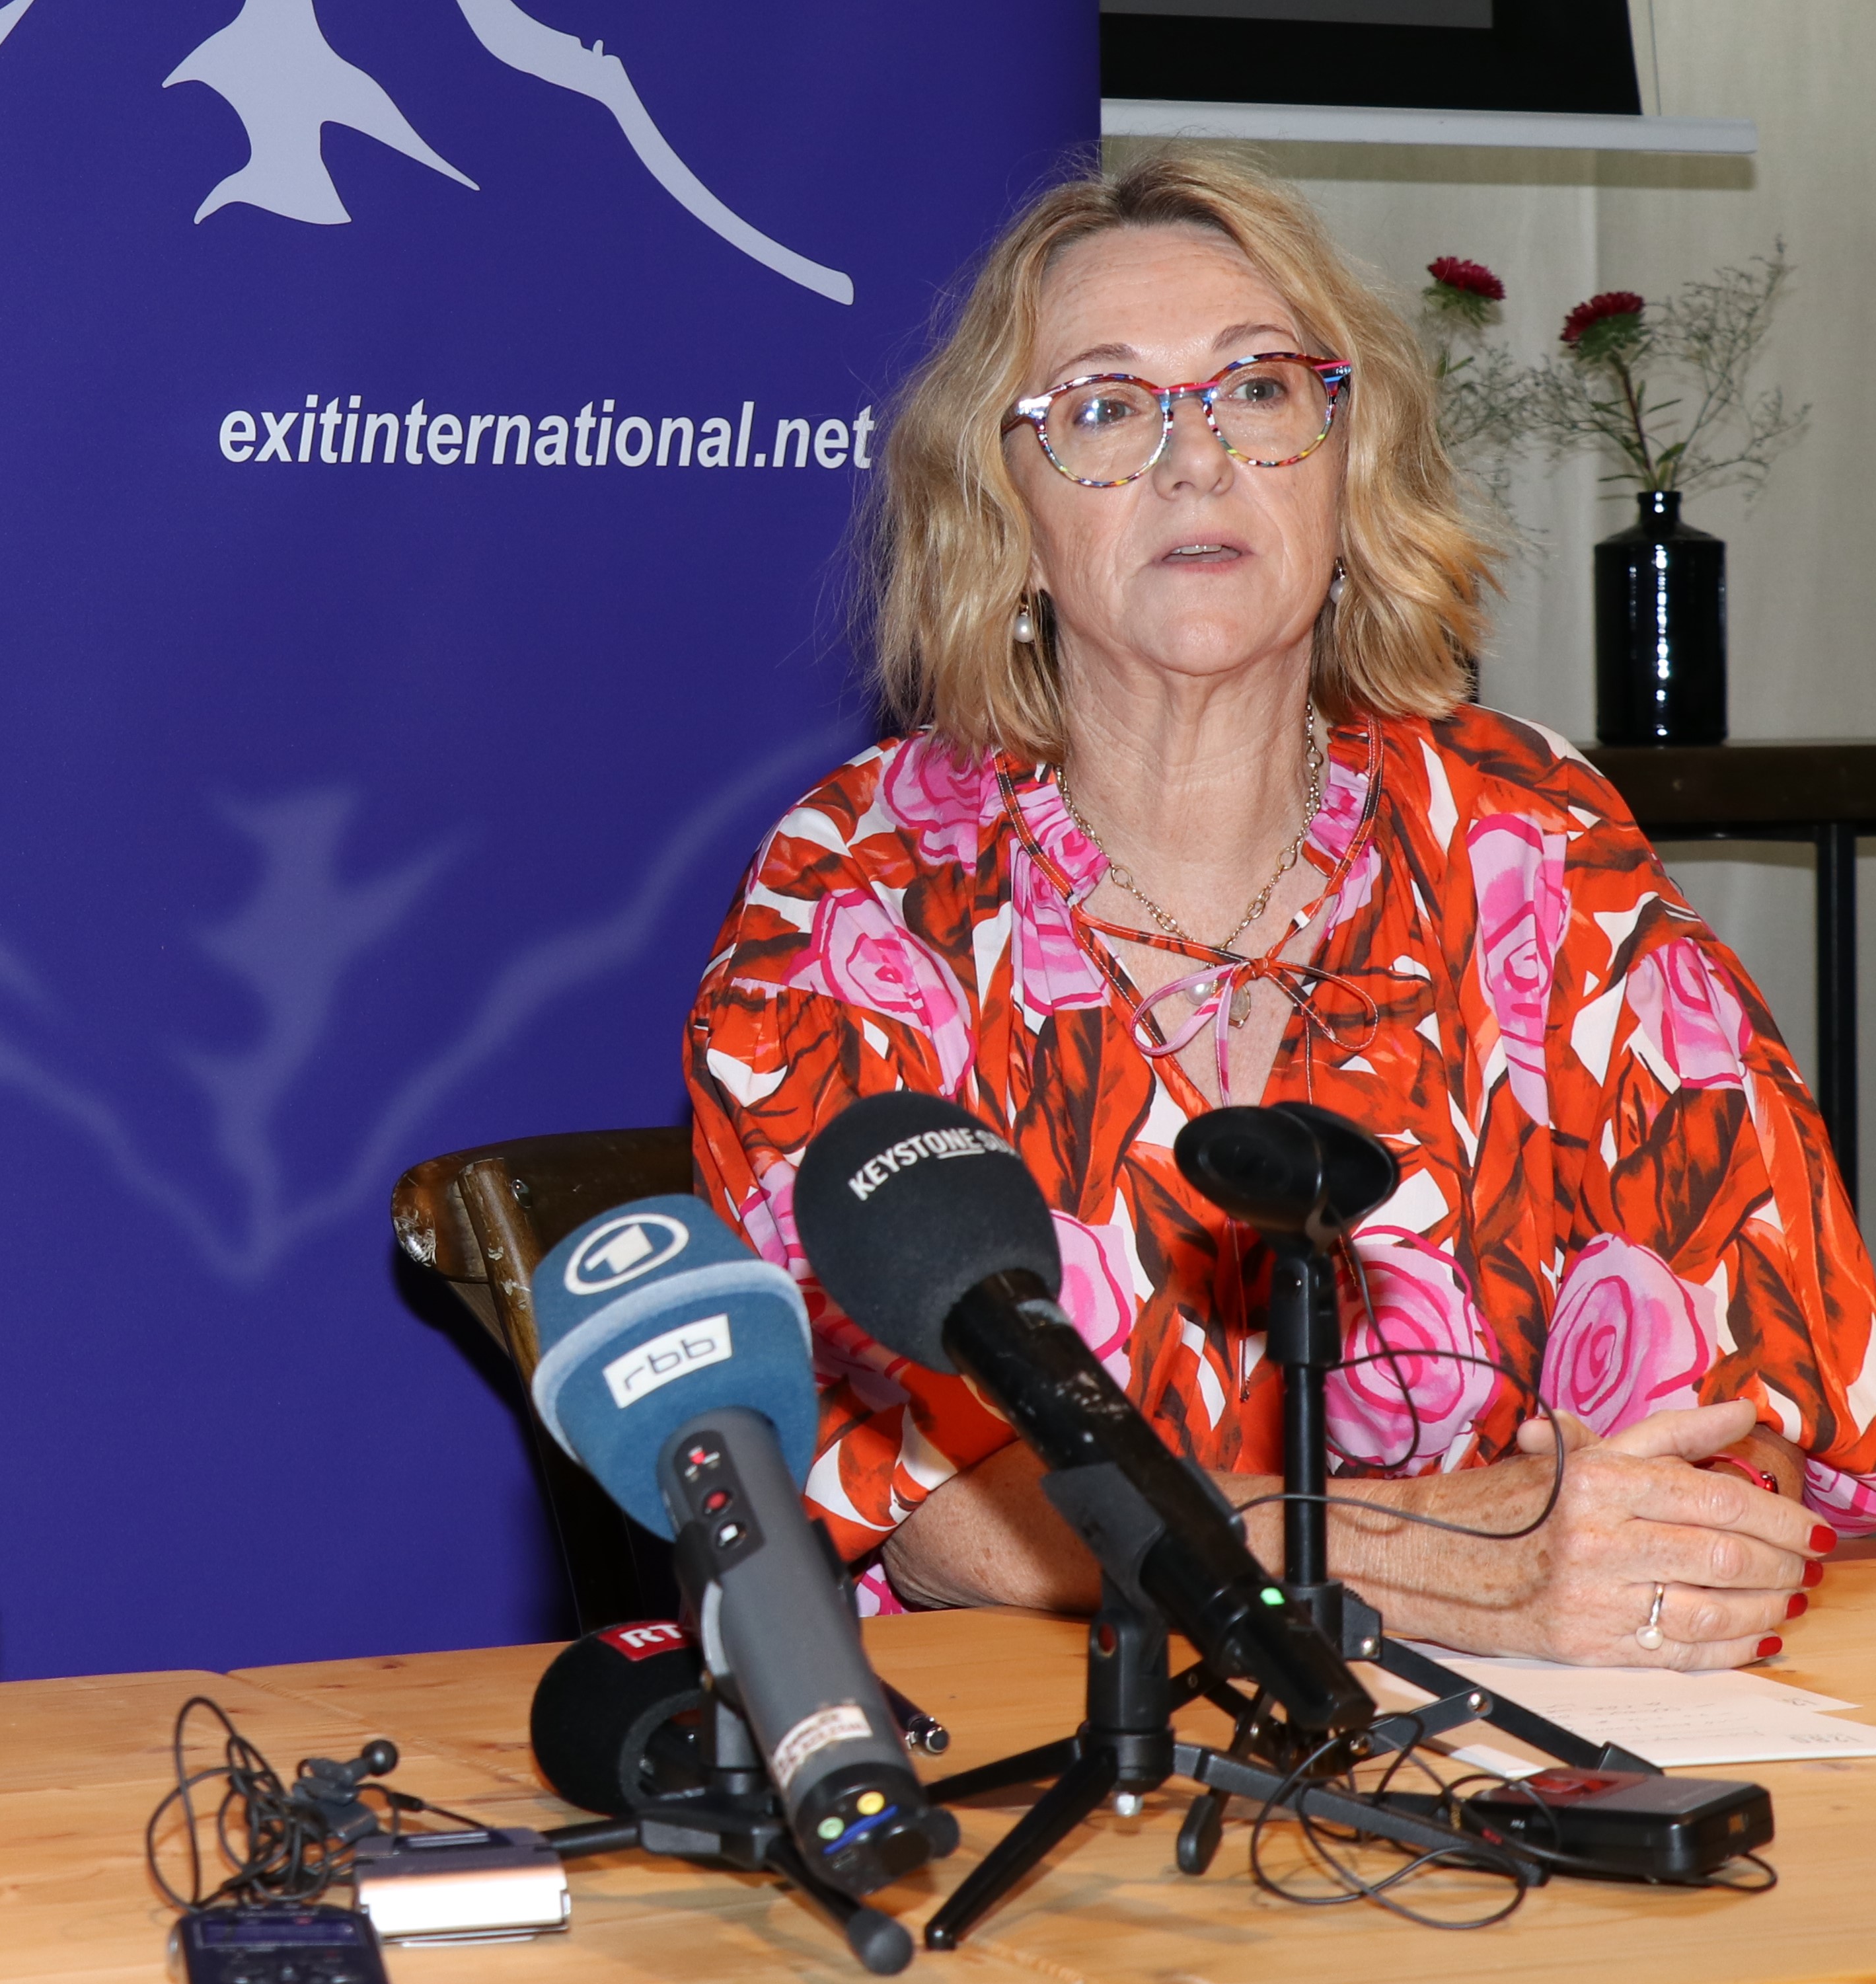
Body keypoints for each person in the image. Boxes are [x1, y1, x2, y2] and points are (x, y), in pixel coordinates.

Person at [687, 148, 1874, 1669]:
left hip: (1529, 1728)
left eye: (1256, 391)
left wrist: (1634, 1539)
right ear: (1004, 520)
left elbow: (1763, 1393)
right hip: (1048, 1727)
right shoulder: (857, 892)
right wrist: (1453, 1555)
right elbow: (920, 1504)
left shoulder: (1529, 837)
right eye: (1103, 409)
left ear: (1345, 473)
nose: (1195, 459)